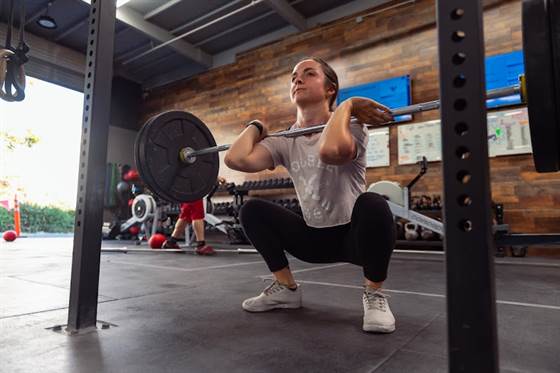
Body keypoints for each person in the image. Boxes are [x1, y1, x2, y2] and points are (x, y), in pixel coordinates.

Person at [224, 57, 397, 333]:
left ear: (330, 89)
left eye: (308, 74)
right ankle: (286, 288)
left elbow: (331, 152)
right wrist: (256, 125)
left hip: (355, 237)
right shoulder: (284, 140)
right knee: (251, 210)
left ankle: (374, 295)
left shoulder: (353, 125)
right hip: (312, 238)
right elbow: (236, 160)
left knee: (374, 203)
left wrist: (348, 106)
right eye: (294, 76)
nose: (297, 80)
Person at [162, 177, 226, 255]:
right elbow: (199, 169)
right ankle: (200, 245)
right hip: (193, 187)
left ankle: (171, 242)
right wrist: (216, 178)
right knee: (197, 214)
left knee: (185, 215)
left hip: (184, 186)